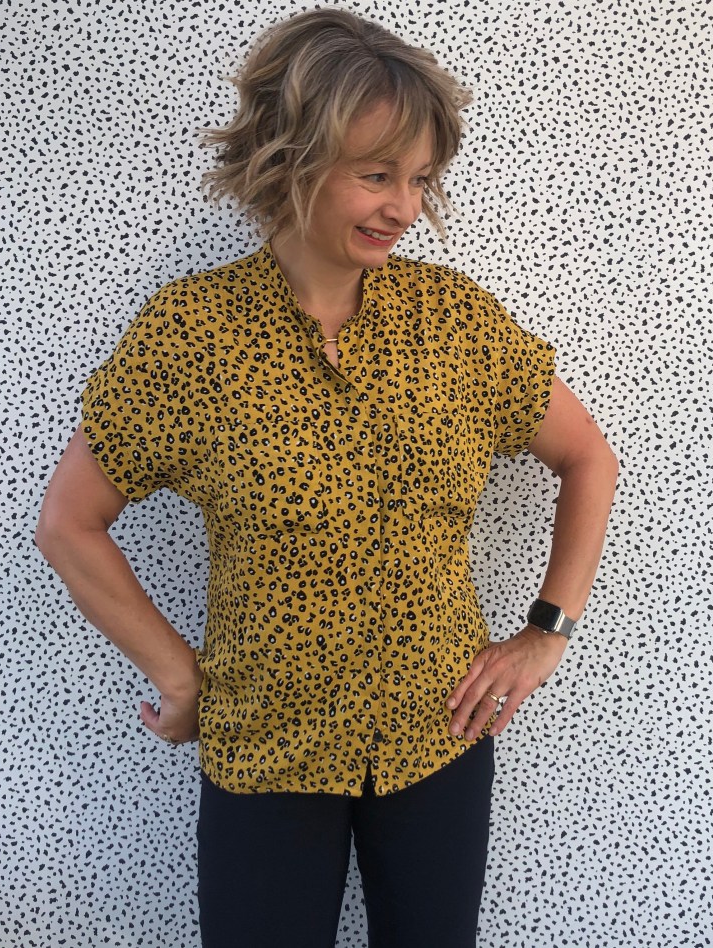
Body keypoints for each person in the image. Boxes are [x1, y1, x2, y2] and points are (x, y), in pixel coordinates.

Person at [36, 8, 618, 948]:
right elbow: (69, 523)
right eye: (376, 174)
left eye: (420, 179)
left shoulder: (455, 324)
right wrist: (178, 676)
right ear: (290, 158)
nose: (405, 208)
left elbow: (590, 456)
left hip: (438, 738)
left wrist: (546, 633)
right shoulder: (192, 337)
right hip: (265, 749)